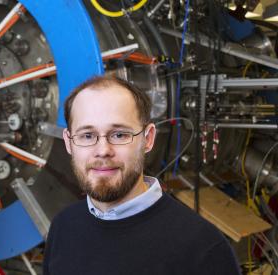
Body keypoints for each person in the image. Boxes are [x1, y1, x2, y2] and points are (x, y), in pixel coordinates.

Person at [43, 76, 240, 275]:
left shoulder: (202, 248)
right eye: (87, 135)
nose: (103, 150)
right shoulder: (63, 227)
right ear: (69, 142)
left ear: (148, 139)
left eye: (119, 134)